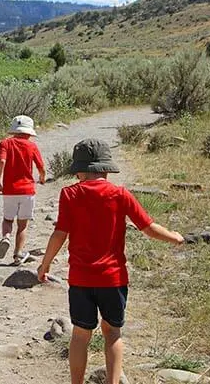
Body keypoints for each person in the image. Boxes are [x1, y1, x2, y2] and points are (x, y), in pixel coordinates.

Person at [37, 139, 184, 384]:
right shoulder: (119, 194)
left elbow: (60, 233)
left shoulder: (70, 194)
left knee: (81, 335)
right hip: (113, 279)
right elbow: (148, 227)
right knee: (113, 334)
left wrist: (45, 264)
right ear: (106, 168)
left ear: (78, 170)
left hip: (81, 279)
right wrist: (175, 238)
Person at [0, 115, 46, 265]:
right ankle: (17, 254)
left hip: (10, 190)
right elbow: (41, 167)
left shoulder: (5, 143)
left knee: (8, 219)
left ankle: (6, 237)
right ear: (29, 133)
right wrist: (42, 178)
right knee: (23, 225)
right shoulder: (32, 146)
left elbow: (2, 161)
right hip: (27, 190)